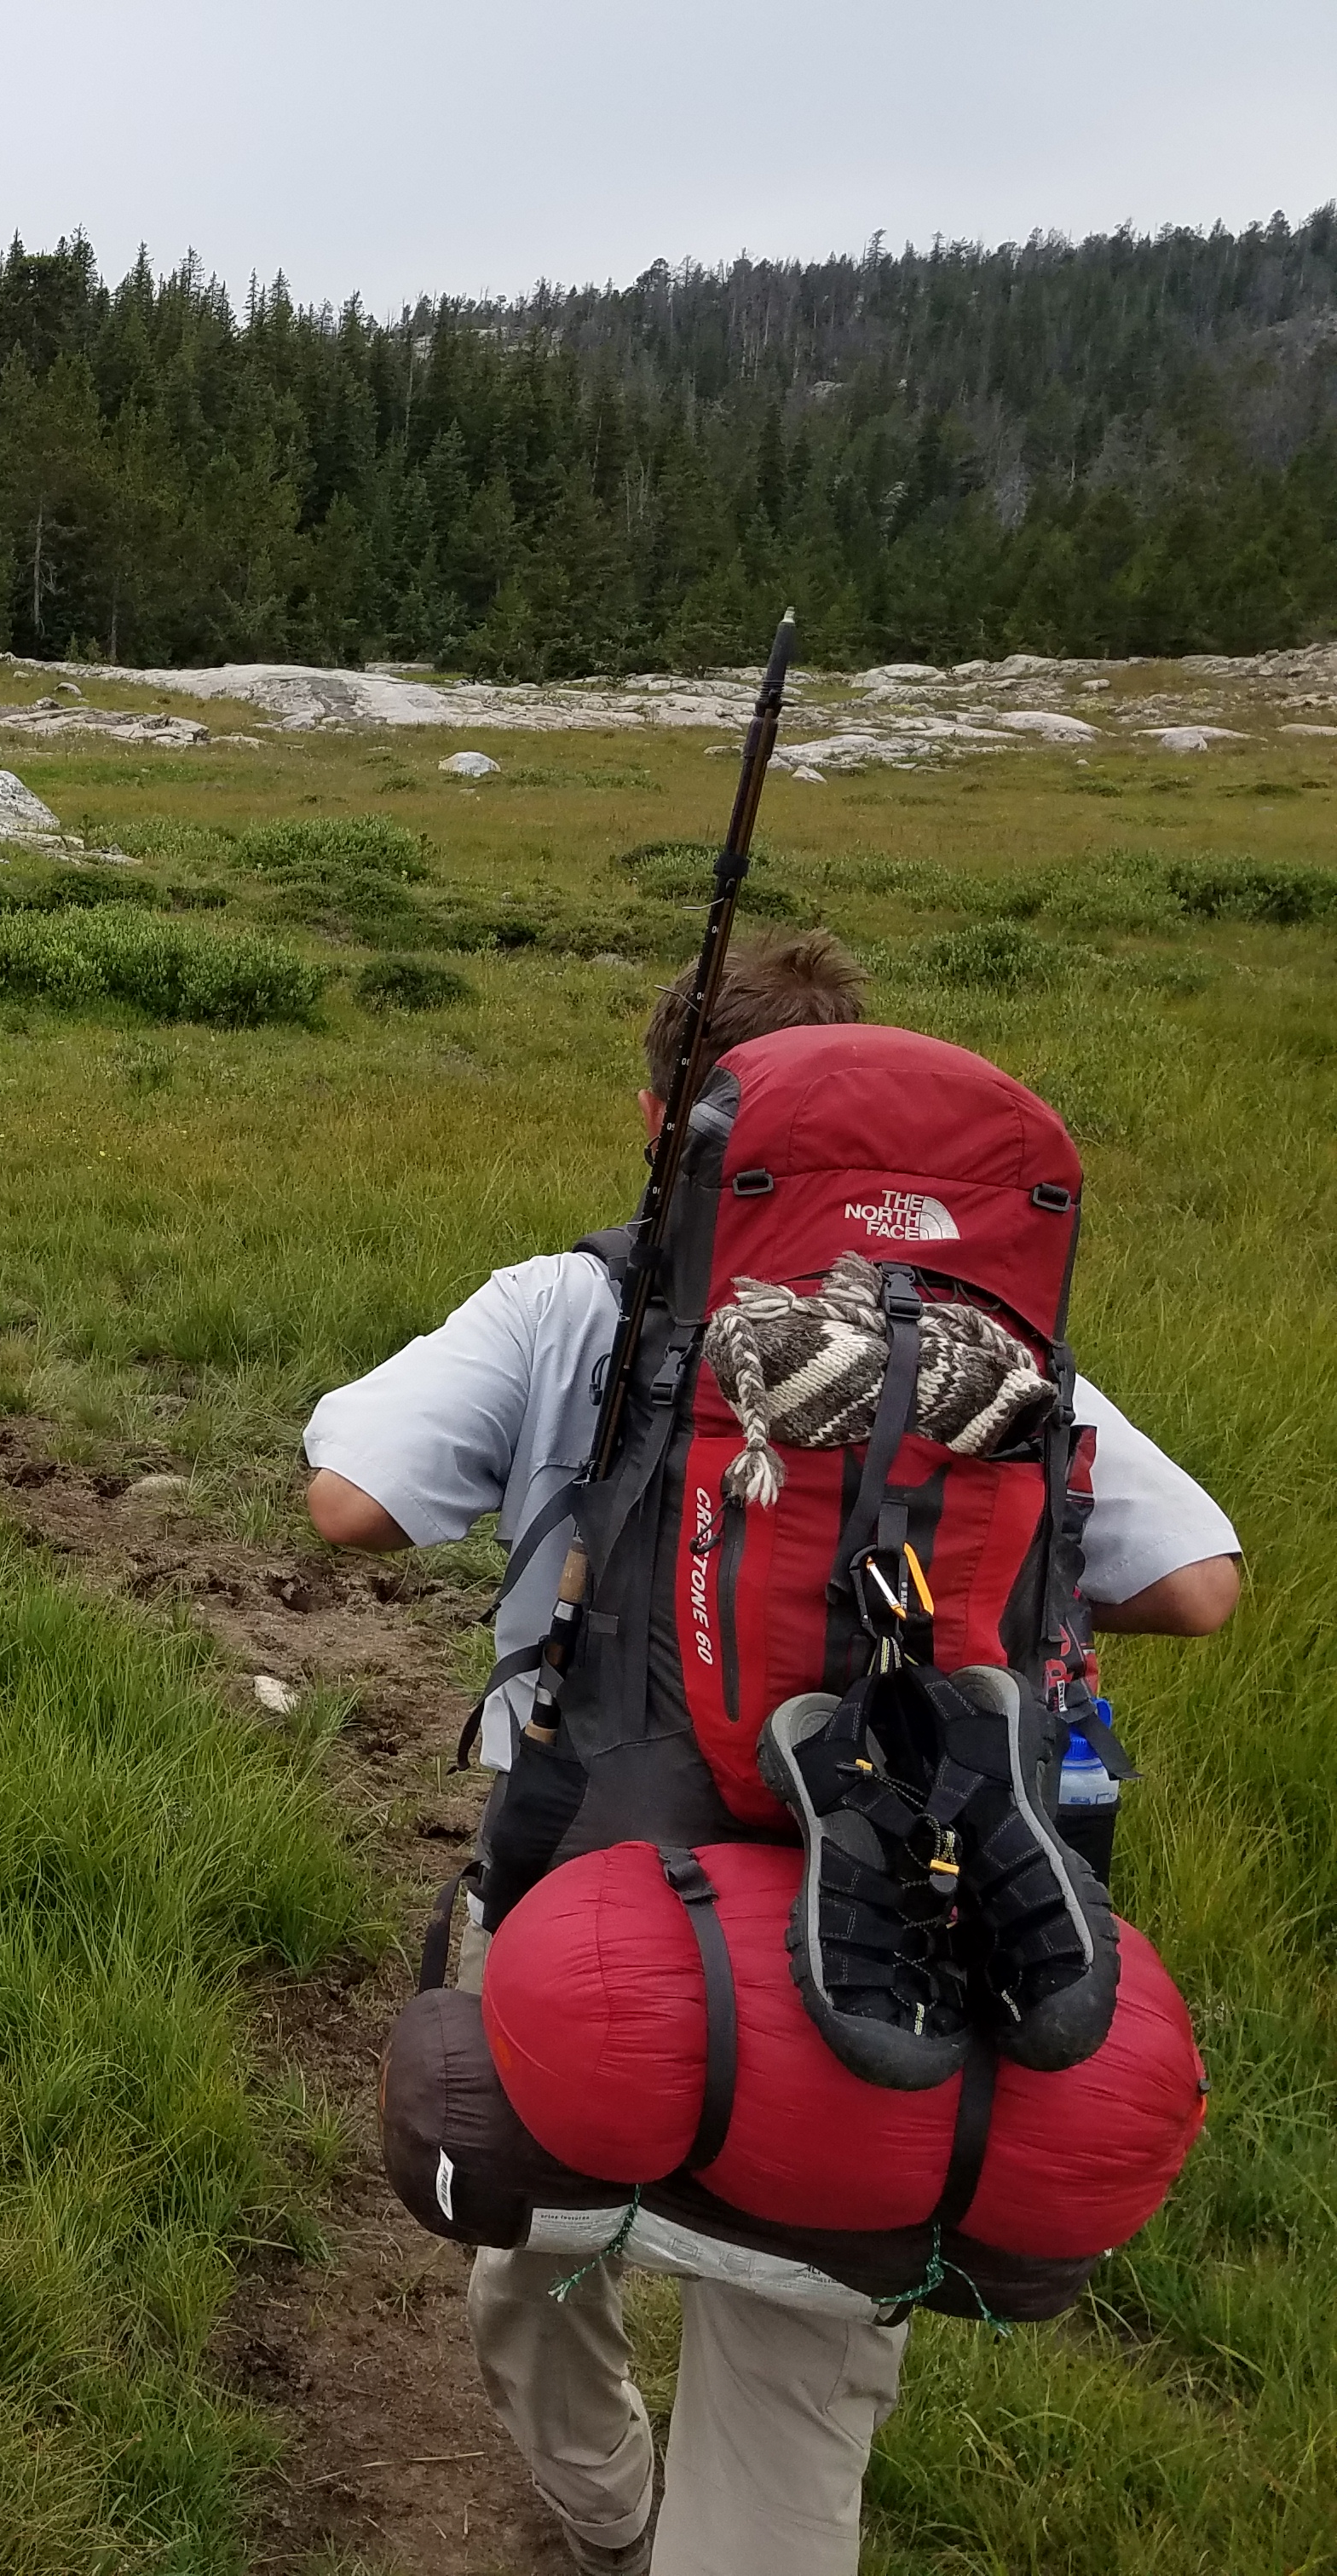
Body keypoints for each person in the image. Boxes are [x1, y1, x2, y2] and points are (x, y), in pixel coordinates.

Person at [301, 931, 1242, 2576]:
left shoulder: (565, 1295)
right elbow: (1198, 1584)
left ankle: (599, 2512)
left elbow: (351, 1505)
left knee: (535, 2258)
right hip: (903, 1918)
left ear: (666, 1114)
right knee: (800, 2384)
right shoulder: (977, 1341)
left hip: (595, 1889)